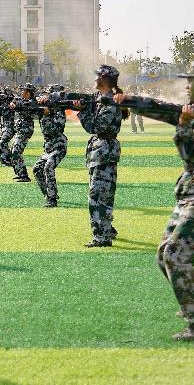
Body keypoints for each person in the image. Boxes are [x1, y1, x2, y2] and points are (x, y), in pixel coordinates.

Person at [114, 59, 194, 341]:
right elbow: (162, 108)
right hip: (192, 191)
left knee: (175, 255)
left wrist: (183, 126)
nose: (186, 85)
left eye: (191, 80)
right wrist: (128, 101)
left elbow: (192, 153)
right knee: (164, 254)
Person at [75, 65, 125, 248]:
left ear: (103, 79)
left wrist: (82, 112)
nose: (94, 79)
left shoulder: (110, 103)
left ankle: (102, 237)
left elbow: (95, 127)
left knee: (98, 195)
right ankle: (107, 229)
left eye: (97, 76)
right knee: (102, 193)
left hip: (105, 151)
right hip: (99, 151)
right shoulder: (98, 98)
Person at [33, 85, 68, 207]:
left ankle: (52, 199)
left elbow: (54, 130)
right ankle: (48, 194)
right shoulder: (44, 108)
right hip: (48, 148)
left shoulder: (59, 111)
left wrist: (46, 116)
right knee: (37, 169)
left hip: (59, 146)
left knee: (48, 167)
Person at [6, 83, 39, 182]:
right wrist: (12, 102)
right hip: (19, 129)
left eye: (23, 90)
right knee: (14, 151)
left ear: (28, 92)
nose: (21, 91)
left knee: (16, 151)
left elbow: (23, 105)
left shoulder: (32, 102)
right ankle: (20, 174)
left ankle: (24, 175)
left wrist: (15, 104)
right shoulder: (22, 99)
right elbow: (15, 101)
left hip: (25, 130)